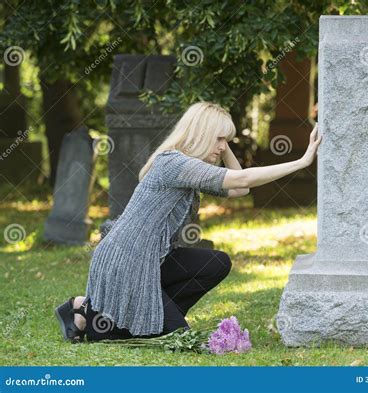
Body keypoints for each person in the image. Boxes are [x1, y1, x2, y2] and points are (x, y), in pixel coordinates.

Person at [54, 101, 322, 343]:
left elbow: (240, 189)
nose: (222, 146)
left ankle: (131, 312)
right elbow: (243, 180)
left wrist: (223, 145)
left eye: (226, 140)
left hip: (151, 261)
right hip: (126, 263)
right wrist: (302, 161)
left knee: (216, 263)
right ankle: (82, 312)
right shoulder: (174, 164)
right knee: (177, 337)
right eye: (218, 138)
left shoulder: (191, 168)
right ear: (200, 134)